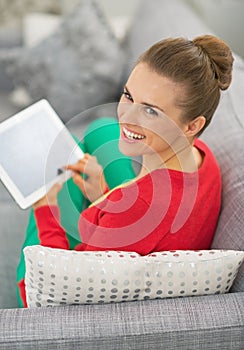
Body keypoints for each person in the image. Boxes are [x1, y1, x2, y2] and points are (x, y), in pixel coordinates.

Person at [17, 34, 234, 307]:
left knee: (51, 173)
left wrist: (46, 208)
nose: (127, 116)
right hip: (129, 224)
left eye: (151, 111)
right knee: (102, 128)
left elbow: (59, 287)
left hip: (71, 272)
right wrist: (103, 194)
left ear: (192, 125)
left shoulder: (138, 207)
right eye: (129, 96)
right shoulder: (202, 154)